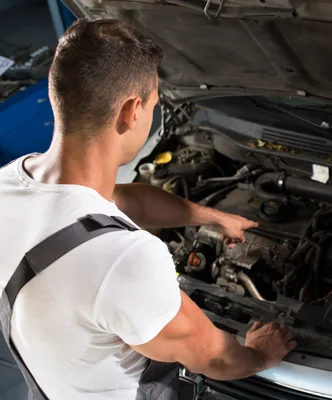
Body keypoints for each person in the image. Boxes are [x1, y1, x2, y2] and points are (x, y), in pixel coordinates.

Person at [0, 19, 296, 399]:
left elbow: (129, 200)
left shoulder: (11, 183)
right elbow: (217, 360)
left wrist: (214, 217)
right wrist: (259, 353)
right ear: (131, 111)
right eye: (155, 104)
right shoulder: (122, 258)